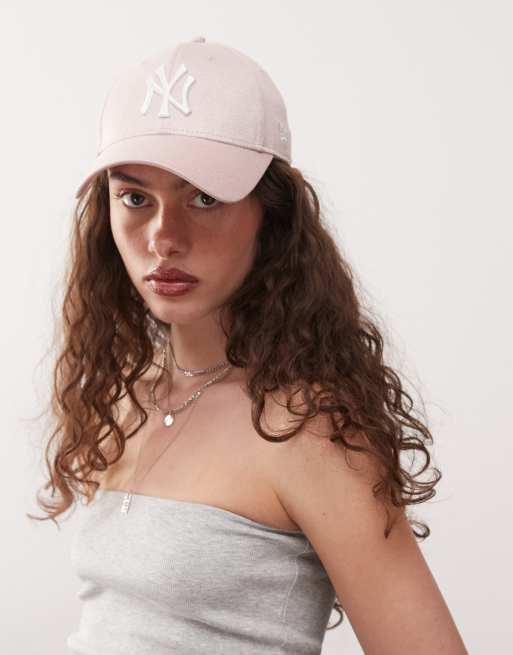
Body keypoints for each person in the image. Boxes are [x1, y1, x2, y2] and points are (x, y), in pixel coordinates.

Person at [28, 36, 469, 654]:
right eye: (135, 198)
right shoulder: (125, 397)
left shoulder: (307, 430)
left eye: (204, 198)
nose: (163, 237)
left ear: (273, 215)